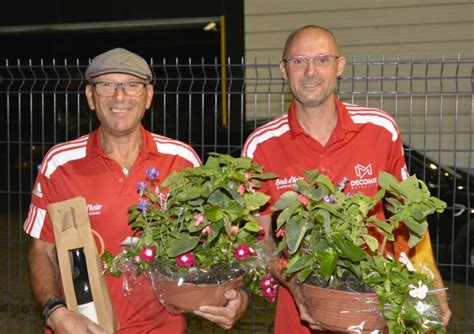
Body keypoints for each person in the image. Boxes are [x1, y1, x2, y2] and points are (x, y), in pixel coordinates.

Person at [242, 25, 451, 333]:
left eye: (322, 59)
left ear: (340, 66)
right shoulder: (261, 146)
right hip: (300, 319)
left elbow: (408, 219)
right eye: (299, 61)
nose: (310, 71)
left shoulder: (379, 129)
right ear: (283, 70)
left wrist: (430, 282)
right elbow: (260, 240)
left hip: (377, 314)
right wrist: (295, 284)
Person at [23, 48, 248, 333]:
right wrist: (53, 312)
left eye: (131, 85)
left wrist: (239, 296)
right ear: (91, 97)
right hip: (84, 327)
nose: (119, 96)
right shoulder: (60, 163)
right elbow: (41, 250)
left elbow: (216, 245)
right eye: (106, 85)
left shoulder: (181, 160)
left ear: (148, 96)